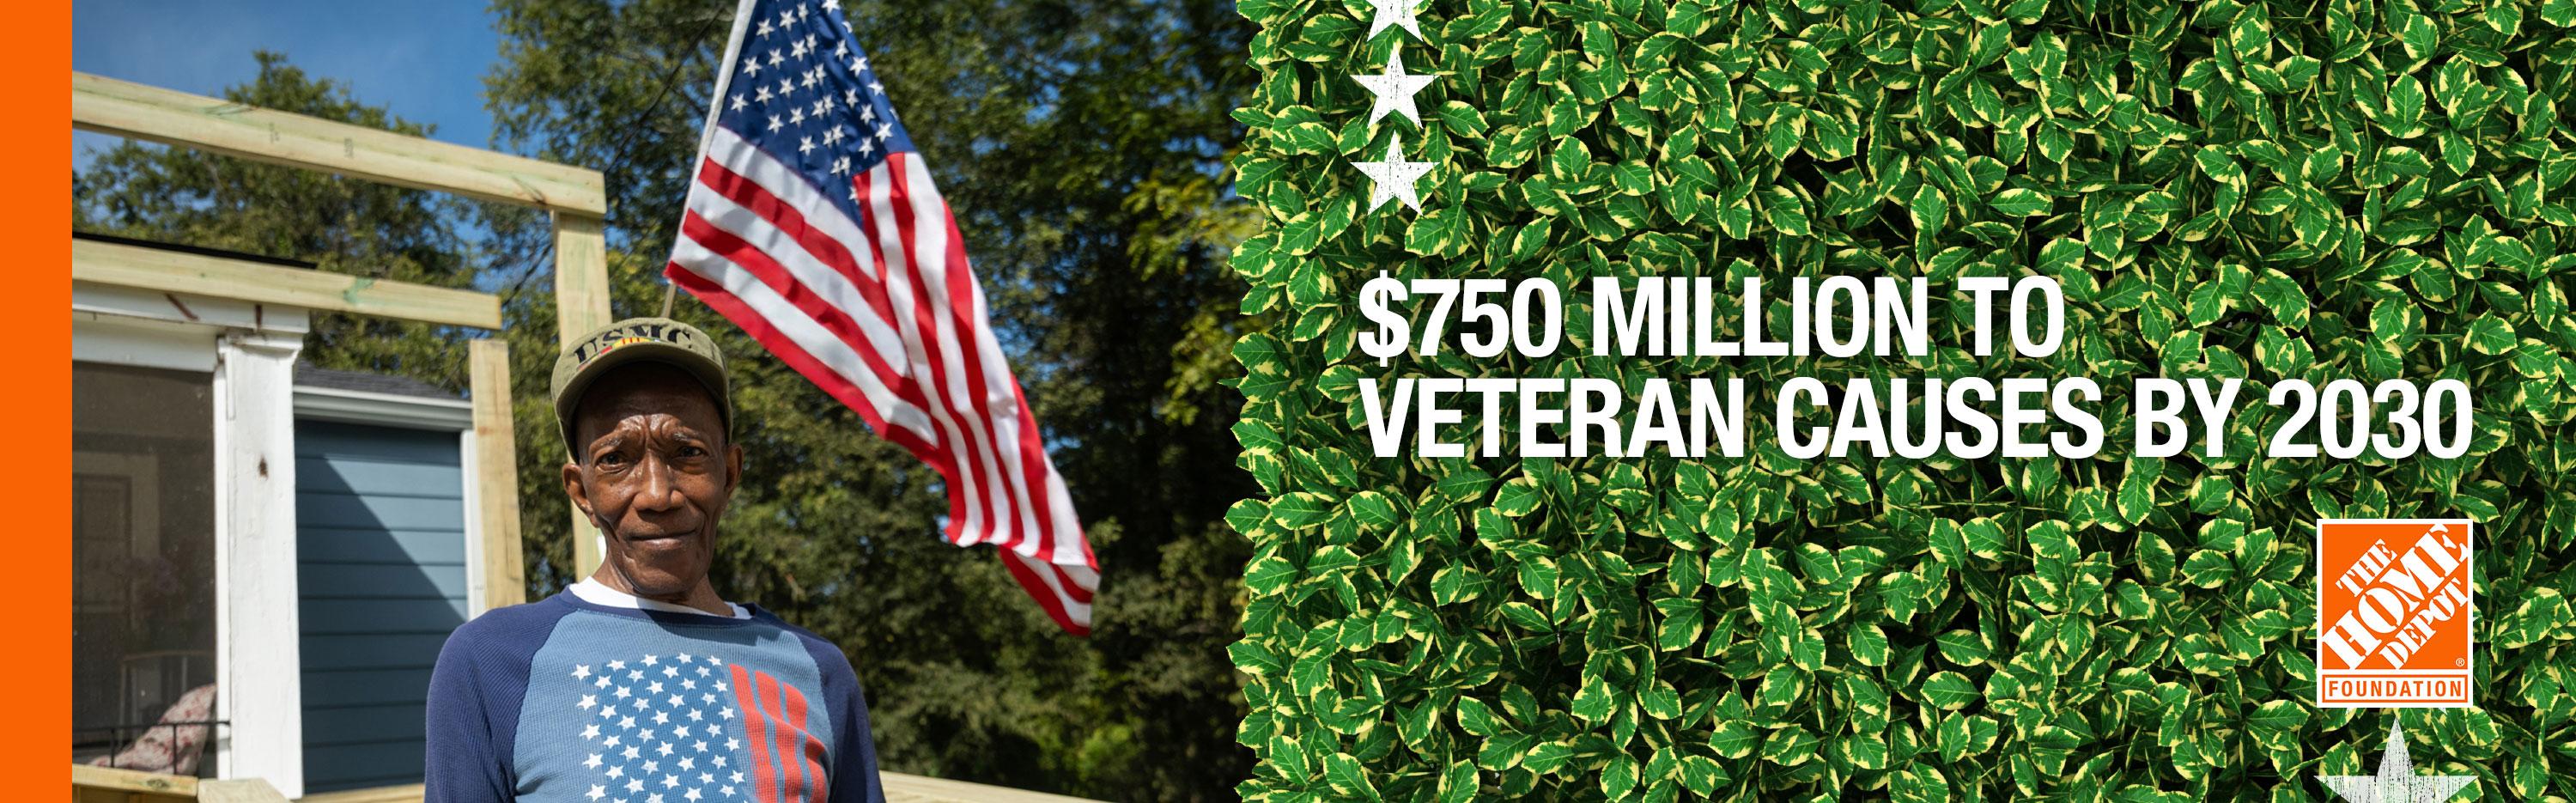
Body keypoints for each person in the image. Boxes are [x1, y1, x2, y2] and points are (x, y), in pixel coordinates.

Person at [425, 317, 884, 803]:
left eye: (686, 452)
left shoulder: (817, 668)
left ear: (728, 475)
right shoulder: (490, 660)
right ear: (581, 491)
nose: (657, 495)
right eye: (616, 459)